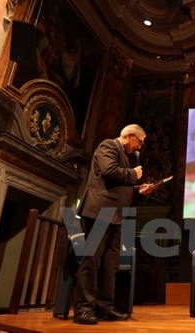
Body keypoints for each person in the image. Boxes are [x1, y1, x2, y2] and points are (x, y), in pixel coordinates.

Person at [74, 124, 156, 325]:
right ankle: (83, 308)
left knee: (111, 265)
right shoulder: (108, 145)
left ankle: (105, 307)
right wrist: (134, 175)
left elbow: (117, 186)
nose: (139, 147)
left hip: (116, 215)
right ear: (129, 135)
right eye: (140, 141)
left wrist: (137, 190)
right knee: (91, 261)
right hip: (101, 212)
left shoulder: (125, 155)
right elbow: (109, 171)